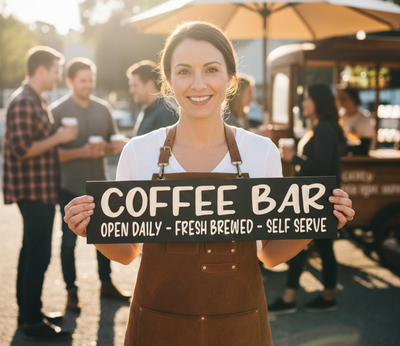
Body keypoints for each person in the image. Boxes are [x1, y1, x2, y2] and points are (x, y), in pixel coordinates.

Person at [64, 22, 355, 346]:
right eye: (185, 71)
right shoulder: (139, 152)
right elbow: (128, 253)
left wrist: (314, 222)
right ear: (169, 82)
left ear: (230, 78)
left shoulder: (261, 153)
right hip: (158, 326)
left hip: (240, 327)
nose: (198, 83)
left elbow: (269, 256)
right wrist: (89, 227)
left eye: (211, 69)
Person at [2, 46, 77, 342]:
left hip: (40, 190)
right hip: (32, 191)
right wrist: (58, 137)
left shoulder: (35, 100)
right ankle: (32, 321)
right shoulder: (23, 102)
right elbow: (21, 149)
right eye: (57, 70)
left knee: (30, 253)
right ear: (42, 69)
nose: (59, 76)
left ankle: (28, 312)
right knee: (38, 255)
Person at [50, 58, 130, 312]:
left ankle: (106, 284)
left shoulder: (103, 108)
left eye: (91, 80)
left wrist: (104, 149)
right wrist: (83, 151)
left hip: (99, 186)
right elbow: (52, 155)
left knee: (103, 235)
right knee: (68, 242)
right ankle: (71, 292)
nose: (88, 85)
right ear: (70, 81)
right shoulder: (57, 111)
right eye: (83, 81)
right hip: (68, 185)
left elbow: (112, 144)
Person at [269, 82, 346, 315]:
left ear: (318, 101)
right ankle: (324, 297)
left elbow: (321, 166)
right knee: (321, 247)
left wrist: (294, 158)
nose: (303, 103)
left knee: (300, 247)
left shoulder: (323, 129)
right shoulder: (325, 127)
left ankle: (291, 298)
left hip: (317, 199)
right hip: (320, 198)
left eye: (307, 99)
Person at [127, 60, 178, 136]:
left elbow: (167, 146)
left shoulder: (166, 112)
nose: (131, 91)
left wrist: (127, 146)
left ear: (149, 85)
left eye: (135, 86)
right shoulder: (148, 110)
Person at [339, 87, 374, 155]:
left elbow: (365, 145)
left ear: (354, 99)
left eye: (344, 99)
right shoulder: (338, 117)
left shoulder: (364, 118)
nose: (341, 102)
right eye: (340, 99)